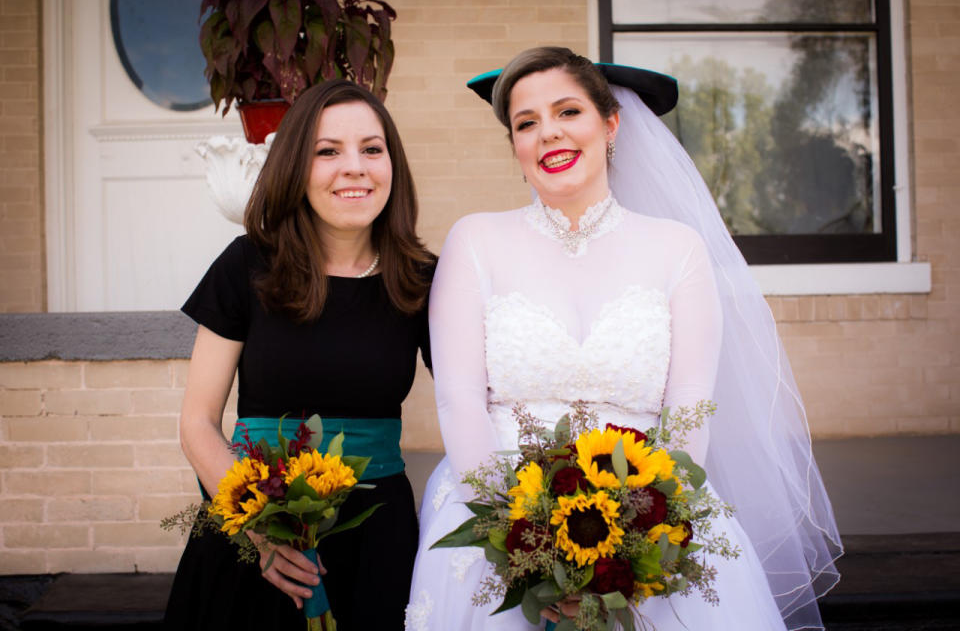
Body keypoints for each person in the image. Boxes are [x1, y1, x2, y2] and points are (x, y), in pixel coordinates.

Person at [406, 47, 841, 630]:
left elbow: (689, 404)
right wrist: (518, 535)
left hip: (647, 505)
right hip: (496, 510)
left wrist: (641, 529)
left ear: (610, 124)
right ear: (514, 145)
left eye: (568, 112)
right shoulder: (475, 240)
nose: (548, 134)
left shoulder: (677, 247)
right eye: (526, 123)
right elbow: (457, 398)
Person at [164, 79, 434, 631]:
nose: (354, 167)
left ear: (392, 165)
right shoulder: (246, 266)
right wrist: (260, 531)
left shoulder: (424, 280)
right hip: (253, 536)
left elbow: (479, 400)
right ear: (295, 166)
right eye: (327, 151)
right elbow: (197, 423)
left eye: (372, 149)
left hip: (376, 538)